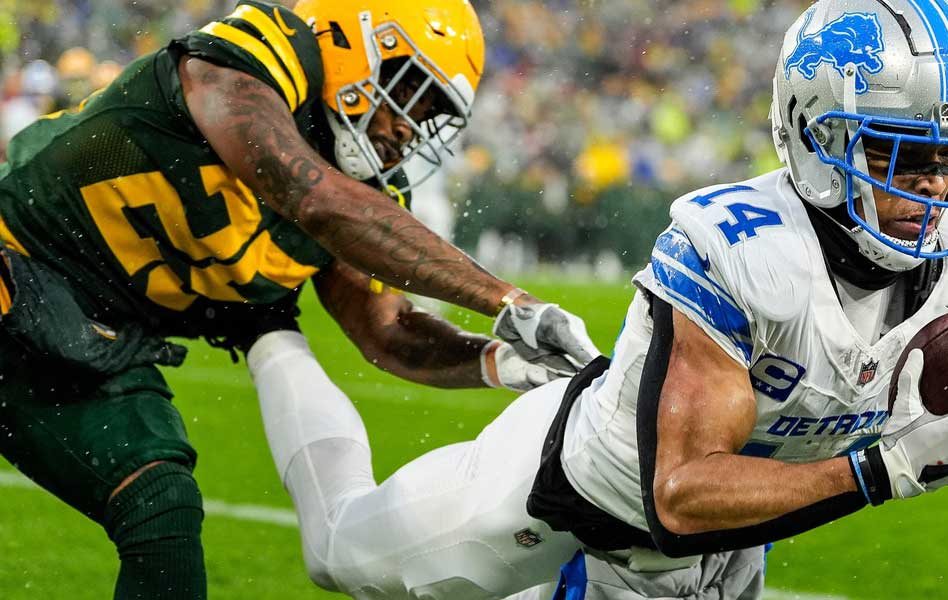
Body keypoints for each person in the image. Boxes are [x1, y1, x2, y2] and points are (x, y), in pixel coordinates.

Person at [247, 1, 948, 598]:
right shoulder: (744, 248)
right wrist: (887, 468)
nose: (932, 188)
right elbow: (676, 497)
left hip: (721, 545)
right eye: (900, 155)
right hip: (568, 498)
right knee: (337, 552)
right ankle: (265, 332)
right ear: (816, 135)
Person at [0, 1, 600, 599]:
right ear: (358, 40)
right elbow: (307, 193)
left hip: (95, 335)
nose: (408, 128)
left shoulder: (363, 189)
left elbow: (386, 332)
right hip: (13, 255)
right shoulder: (272, 50)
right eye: (412, 92)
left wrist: (499, 360)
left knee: (161, 506)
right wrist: (506, 297)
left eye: (430, 115)